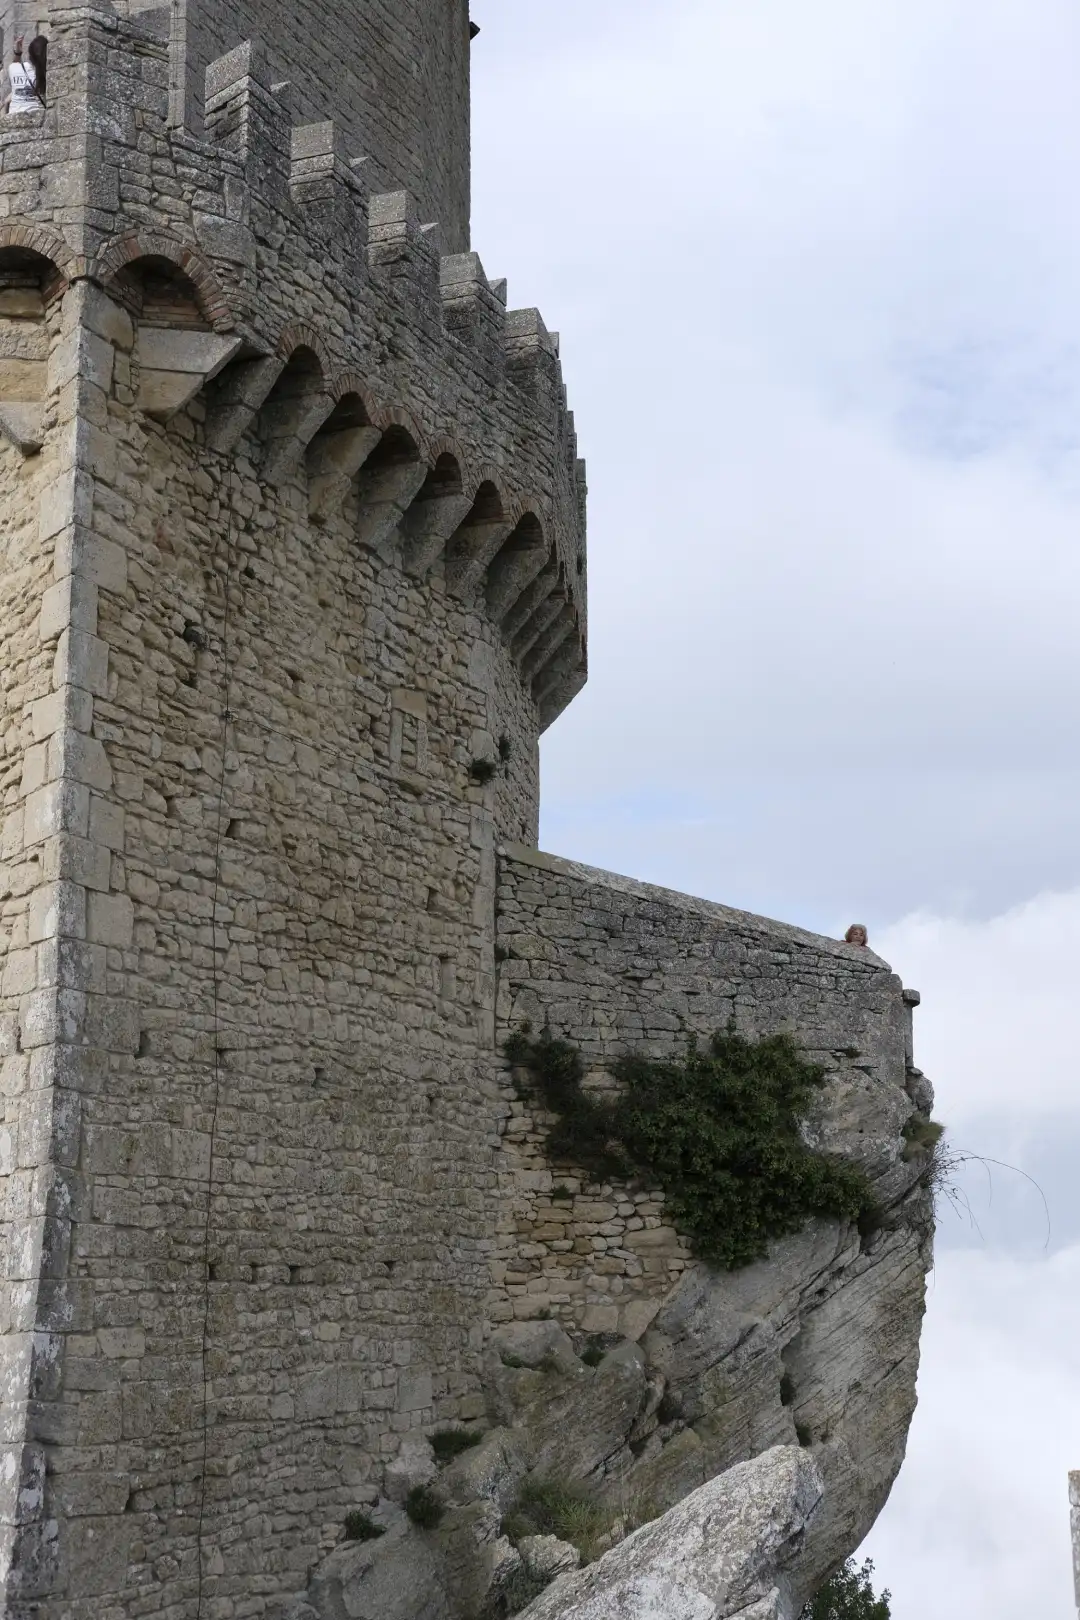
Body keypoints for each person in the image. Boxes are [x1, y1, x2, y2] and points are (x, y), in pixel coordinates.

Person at [2, 34, 45, 114]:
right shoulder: (45, 72)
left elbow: (15, 63)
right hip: (38, 115)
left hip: (14, 114)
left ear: (30, 53)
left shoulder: (13, 68)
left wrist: (18, 52)